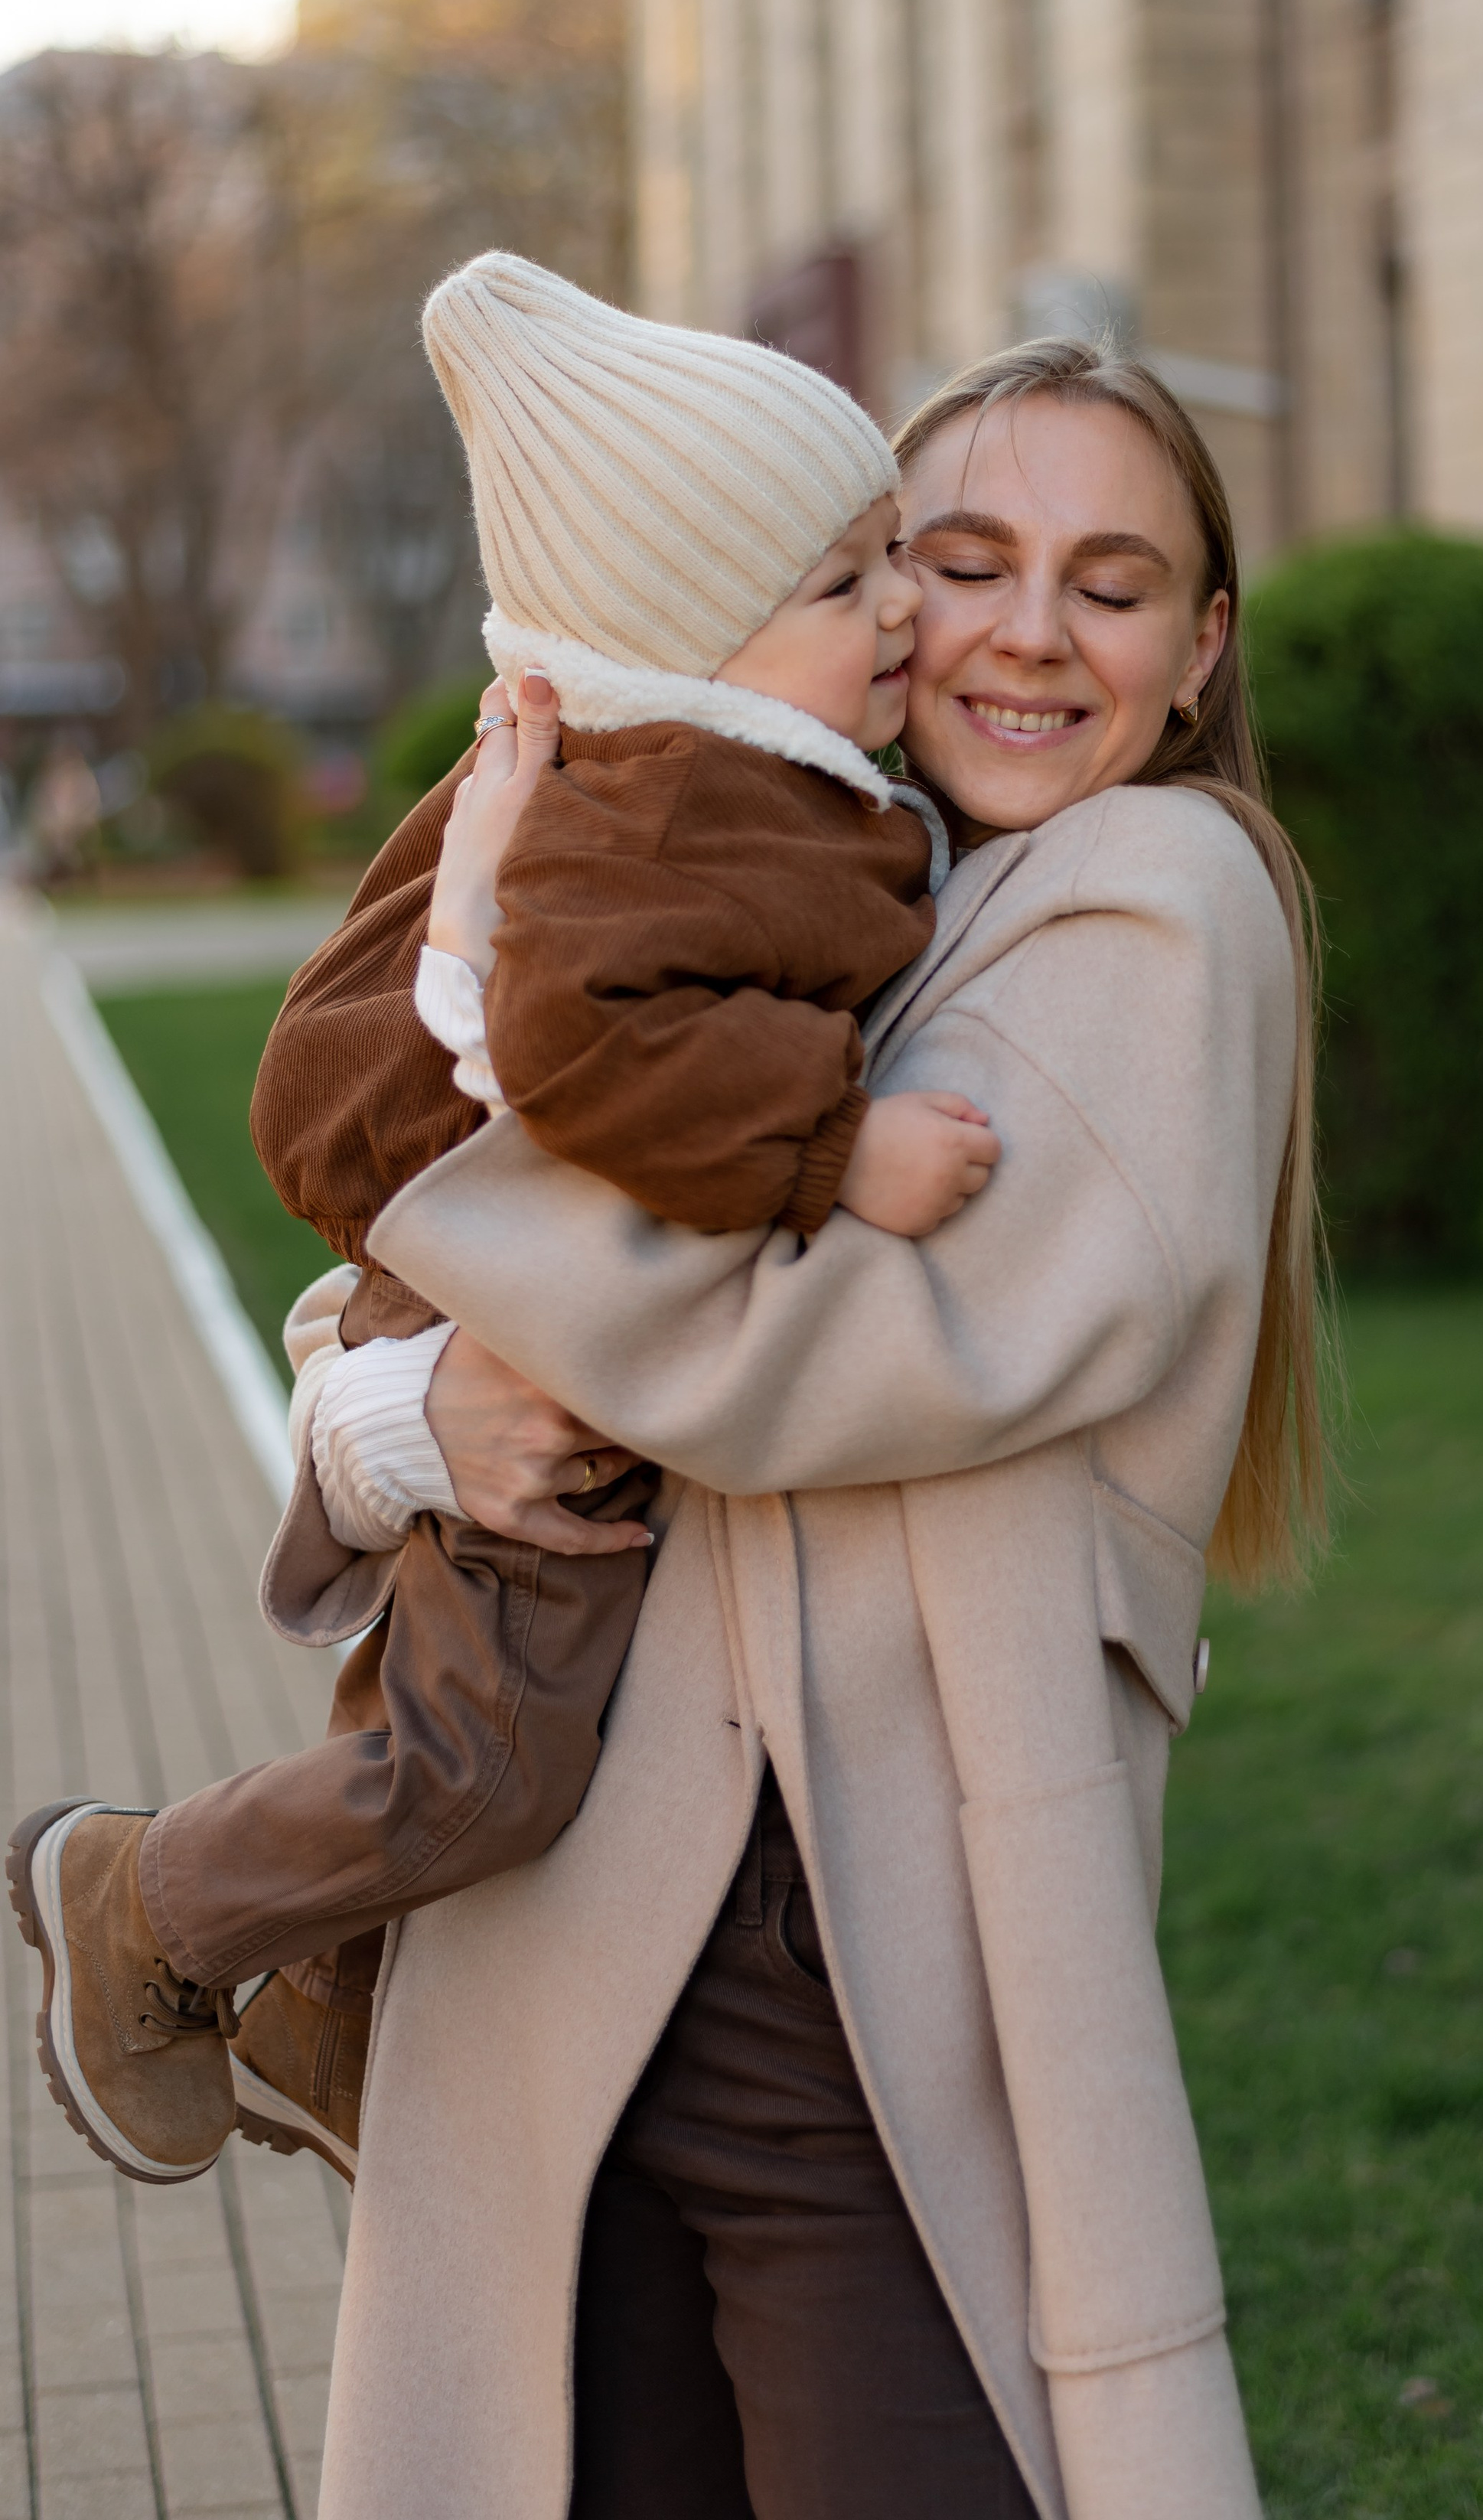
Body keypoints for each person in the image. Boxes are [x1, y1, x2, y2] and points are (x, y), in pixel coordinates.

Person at [275, 337, 1324, 2520]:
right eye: (960, 559)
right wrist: (386, 1414)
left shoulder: (1157, 896)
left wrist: (468, 1141)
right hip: (577, 1906)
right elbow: (421, 1258)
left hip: (877, 1952)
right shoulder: (808, 855)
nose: (1025, 633)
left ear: (1203, 647)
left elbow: (793, 1357)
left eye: (1111, 583)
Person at [3, 254, 1000, 2192]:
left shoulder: (733, 775)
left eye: (896, 553)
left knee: (466, 1713)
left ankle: (323, 2012)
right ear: (687, 642)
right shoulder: (675, 802)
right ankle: (149, 1899)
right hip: (517, 1322)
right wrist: (834, 1148)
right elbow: (575, 1043)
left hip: (525, 1306)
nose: (902, 608)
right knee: (488, 1766)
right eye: (839, 585)